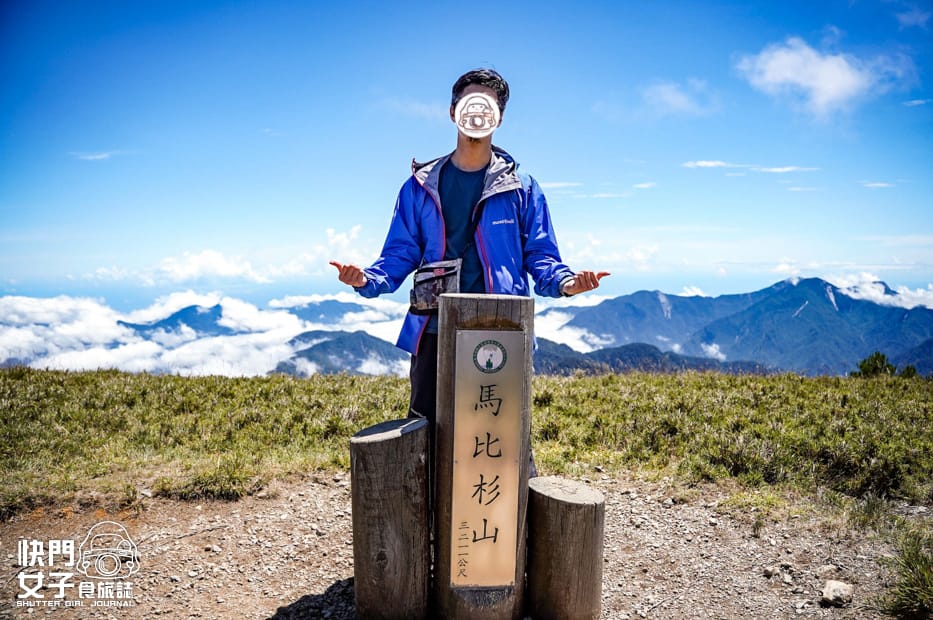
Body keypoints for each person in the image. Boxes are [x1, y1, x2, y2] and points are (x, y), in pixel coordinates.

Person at [331, 67, 608, 427]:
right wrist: (366, 279)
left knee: (502, 438)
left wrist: (567, 282)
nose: (477, 113)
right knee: (427, 435)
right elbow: (400, 253)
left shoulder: (522, 188)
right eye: (468, 103)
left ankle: (515, 488)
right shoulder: (418, 187)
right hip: (435, 327)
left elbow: (541, 255)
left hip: (503, 327)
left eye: (488, 105)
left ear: (500, 117)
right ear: (452, 112)